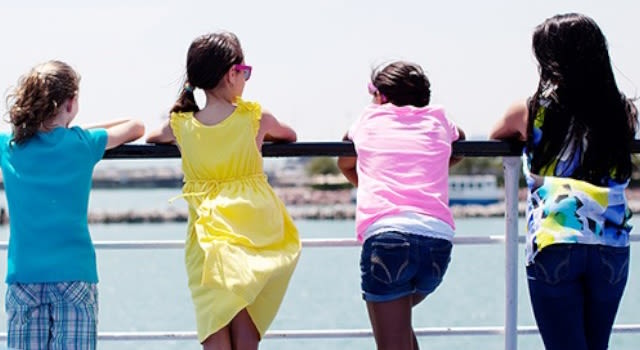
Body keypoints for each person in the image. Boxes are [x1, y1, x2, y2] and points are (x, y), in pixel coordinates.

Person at [490, 13, 637, 350]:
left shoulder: (529, 111)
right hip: (611, 244)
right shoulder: (622, 112)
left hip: (555, 238)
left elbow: (499, 133)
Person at [146, 32, 301, 350]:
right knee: (246, 320)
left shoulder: (181, 126)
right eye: (245, 72)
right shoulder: (255, 118)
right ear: (232, 73)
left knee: (214, 319)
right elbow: (289, 134)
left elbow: (152, 136)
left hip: (207, 237)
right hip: (253, 232)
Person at [2, 60, 145, 350]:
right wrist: (71, 130)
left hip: (24, 278)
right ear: (69, 103)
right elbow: (136, 126)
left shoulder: (10, 145)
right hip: (74, 275)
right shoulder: (82, 143)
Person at [338, 61, 465, 350]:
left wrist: (370, 184)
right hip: (437, 243)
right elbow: (461, 143)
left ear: (381, 96)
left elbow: (344, 162)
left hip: (389, 242)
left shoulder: (368, 118)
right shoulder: (440, 118)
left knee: (392, 338)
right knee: (400, 330)